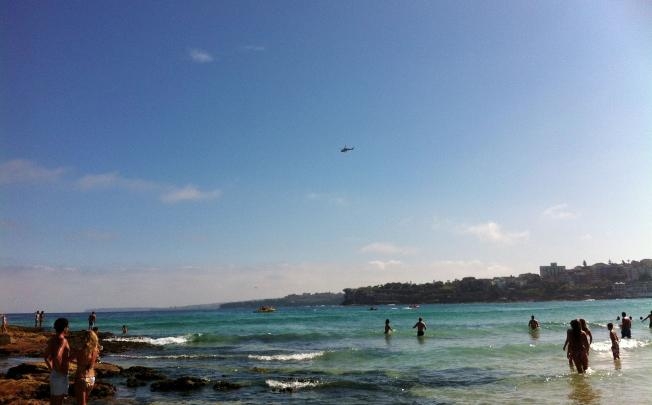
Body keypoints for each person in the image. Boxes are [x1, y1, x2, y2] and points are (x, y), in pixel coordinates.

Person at [44, 318, 71, 405]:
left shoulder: (53, 339)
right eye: (68, 327)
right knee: (59, 401)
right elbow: (57, 356)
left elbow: (46, 357)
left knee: (53, 401)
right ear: (64, 328)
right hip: (60, 375)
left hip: (54, 374)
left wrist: (52, 369)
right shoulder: (63, 340)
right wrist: (60, 371)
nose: (68, 329)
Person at [74, 330, 100, 405]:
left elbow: (67, 359)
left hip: (81, 377)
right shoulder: (96, 350)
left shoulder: (81, 350)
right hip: (91, 378)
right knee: (85, 401)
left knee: (81, 403)